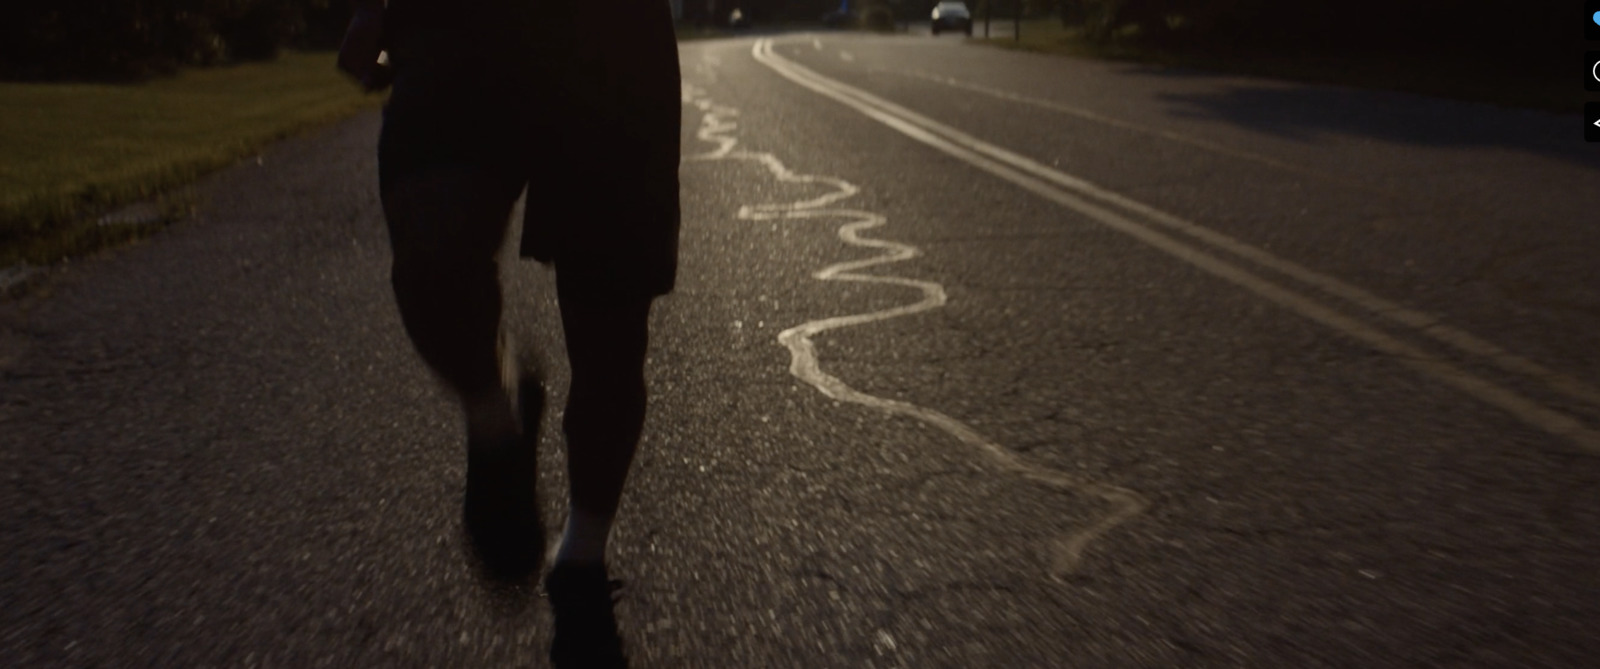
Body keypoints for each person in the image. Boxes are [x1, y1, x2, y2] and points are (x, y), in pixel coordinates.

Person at [340, 1, 680, 665]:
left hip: (610, 30)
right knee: (432, 259)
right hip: (466, 23)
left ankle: (581, 554)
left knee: (609, 327)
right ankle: (495, 419)